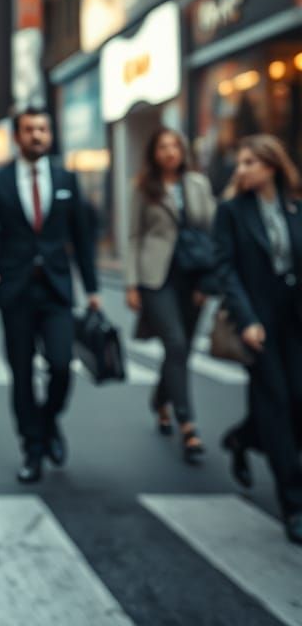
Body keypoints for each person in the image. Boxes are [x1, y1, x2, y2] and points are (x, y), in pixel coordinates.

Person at [0, 107, 102, 483]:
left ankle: (48, 424)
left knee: (61, 365)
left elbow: (81, 238)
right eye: (30, 129)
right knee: (23, 373)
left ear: (50, 134)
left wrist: (92, 289)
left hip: (57, 289)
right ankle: (31, 447)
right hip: (15, 291)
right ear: (17, 136)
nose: (37, 135)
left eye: (43, 129)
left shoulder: (67, 179)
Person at [213, 134, 302, 545]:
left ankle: (243, 438)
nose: (242, 169)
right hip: (258, 321)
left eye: (250, 162)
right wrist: (245, 317)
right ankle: (294, 505)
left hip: (295, 319)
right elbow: (225, 270)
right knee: (278, 403)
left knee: (297, 401)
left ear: (271, 165)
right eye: (240, 162)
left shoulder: (295, 205)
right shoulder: (232, 212)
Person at [125, 128, 215, 464]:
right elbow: (133, 236)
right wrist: (132, 284)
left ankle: (160, 399)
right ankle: (187, 422)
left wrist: (208, 282)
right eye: (162, 146)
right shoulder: (143, 187)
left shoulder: (198, 185)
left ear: (182, 150)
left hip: (193, 276)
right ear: (154, 153)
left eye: (174, 145)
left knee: (183, 348)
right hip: (156, 277)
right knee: (175, 344)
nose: (169, 152)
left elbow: (211, 229)